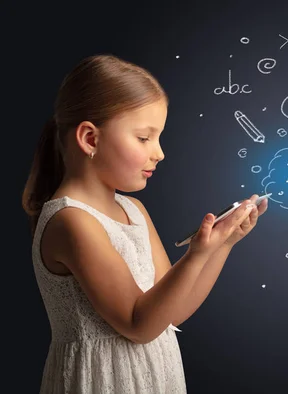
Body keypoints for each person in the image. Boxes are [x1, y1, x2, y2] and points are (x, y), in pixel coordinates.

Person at [21, 53, 268, 393]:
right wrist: (195, 255)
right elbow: (139, 325)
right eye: (144, 138)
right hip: (104, 380)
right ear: (90, 139)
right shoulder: (71, 221)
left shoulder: (133, 209)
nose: (159, 152)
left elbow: (170, 312)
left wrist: (223, 244)